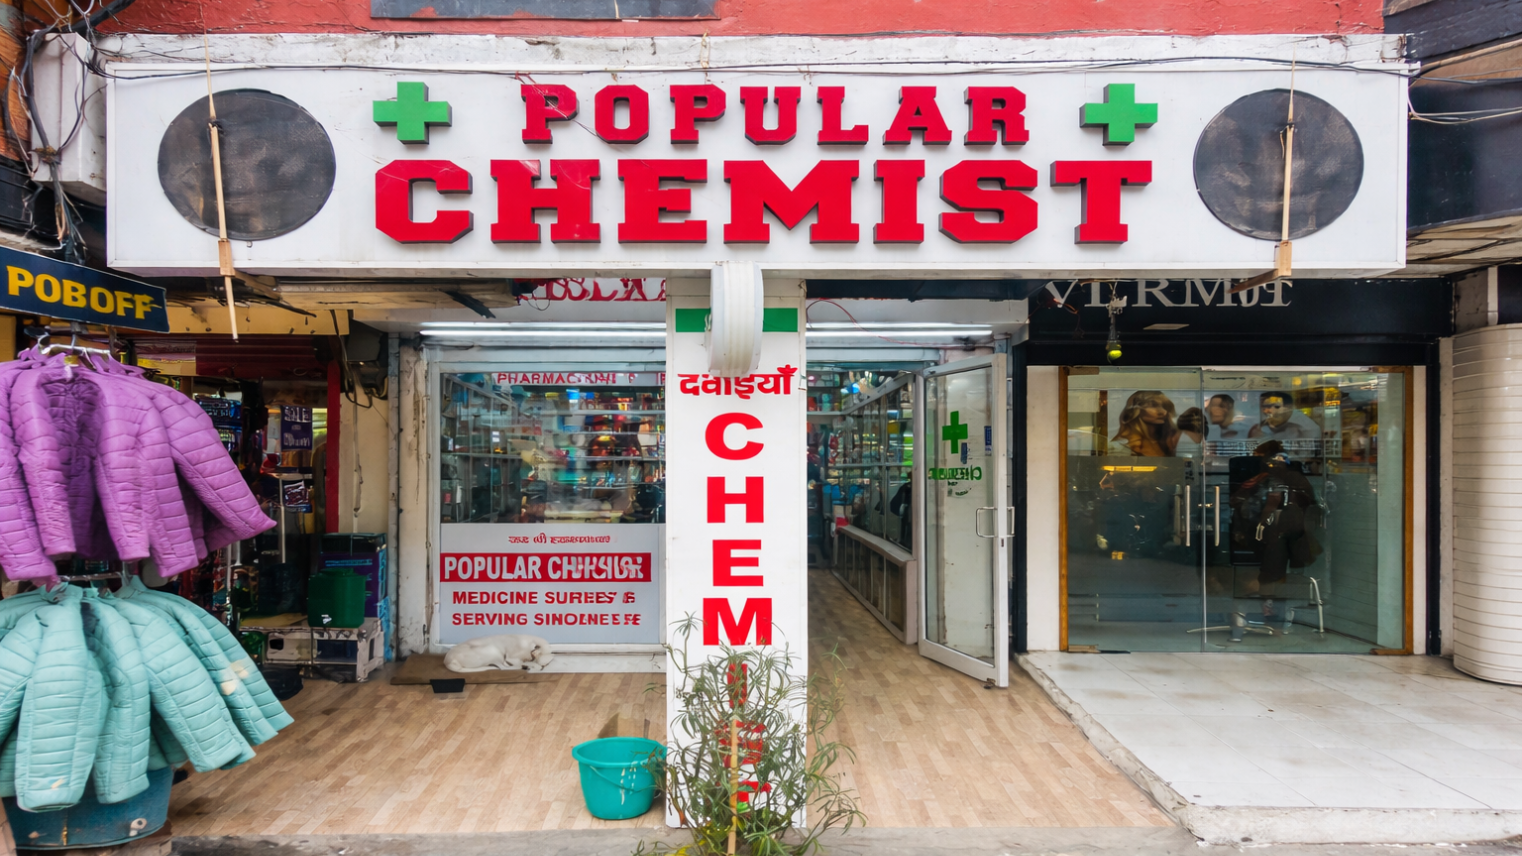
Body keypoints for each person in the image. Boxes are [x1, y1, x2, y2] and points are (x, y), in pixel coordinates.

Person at [1109, 390, 1181, 457]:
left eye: (1165, 407)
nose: (1163, 412)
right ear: (1136, 409)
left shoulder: (1166, 443)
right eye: (1153, 405)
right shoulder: (1120, 446)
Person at [1247, 391, 1320, 440]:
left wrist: (1263, 440)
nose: (1266, 411)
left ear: (1288, 407)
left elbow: (1306, 457)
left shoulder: (1307, 428)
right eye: (1263, 407)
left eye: (1273, 406)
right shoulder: (1262, 424)